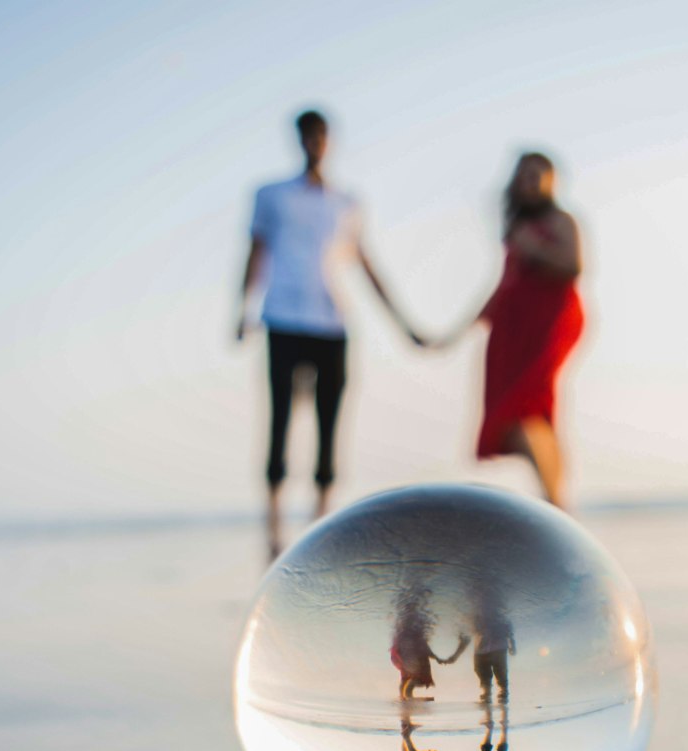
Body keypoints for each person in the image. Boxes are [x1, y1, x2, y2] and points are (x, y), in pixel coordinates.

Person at [237, 108, 415, 554]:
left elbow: (365, 263)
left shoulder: (346, 202)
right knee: (279, 417)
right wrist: (243, 308)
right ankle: (273, 529)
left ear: (329, 141)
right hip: (282, 317)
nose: (315, 142)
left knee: (329, 420)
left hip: (331, 322)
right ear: (298, 140)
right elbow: (256, 251)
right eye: (309, 135)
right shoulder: (271, 195)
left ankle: (320, 523)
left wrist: (402, 323)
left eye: (322, 135)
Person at [435, 153, 583, 509]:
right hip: (512, 330)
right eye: (524, 176)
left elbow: (573, 266)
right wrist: (454, 334)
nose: (530, 182)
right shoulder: (515, 229)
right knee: (531, 413)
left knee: (525, 409)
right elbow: (502, 288)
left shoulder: (560, 222)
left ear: (551, 181)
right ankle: (556, 503)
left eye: (538, 175)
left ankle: (557, 504)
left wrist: (536, 249)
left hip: (547, 323)